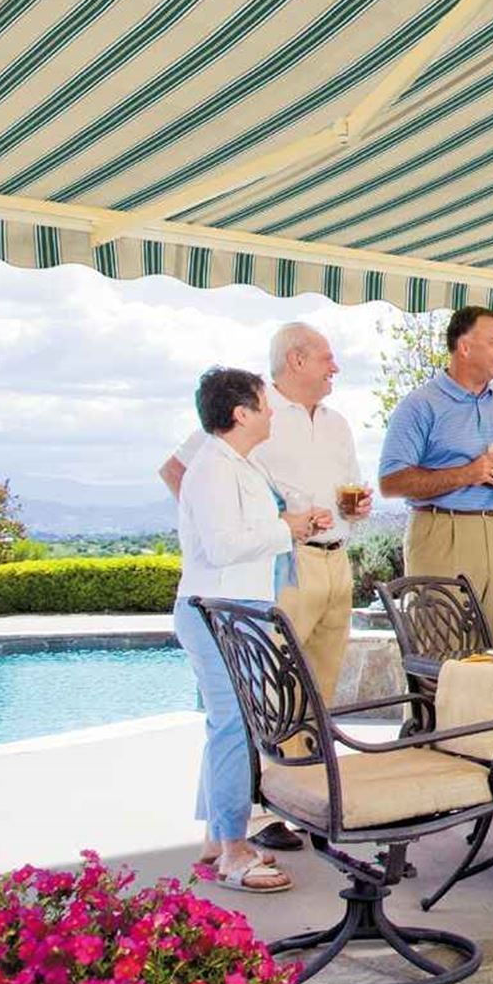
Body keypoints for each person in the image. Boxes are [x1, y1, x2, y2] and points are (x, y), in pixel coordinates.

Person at [160, 323, 370, 854]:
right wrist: (239, 529)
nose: (335, 367)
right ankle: (244, 820)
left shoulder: (336, 423)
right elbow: (179, 475)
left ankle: (301, 800)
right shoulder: (239, 425)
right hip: (275, 569)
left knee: (314, 694)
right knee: (257, 702)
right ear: (296, 360)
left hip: (333, 559)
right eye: (326, 357)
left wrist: (350, 511)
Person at [174, 367, 326, 894]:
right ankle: (233, 850)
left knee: (231, 726)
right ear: (241, 413)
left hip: (236, 610)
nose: (271, 412)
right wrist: (285, 529)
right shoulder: (213, 468)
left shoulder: (237, 464)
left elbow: (245, 535)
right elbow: (222, 546)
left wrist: (291, 528)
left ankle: (216, 842)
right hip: (217, 611)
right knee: (233, 727)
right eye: (264, 404)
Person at [379, 307, 493, 646]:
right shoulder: (420, 405)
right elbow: (391, 482)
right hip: (442, 532)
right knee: (442, 652)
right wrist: (467, 474)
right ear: (464, 347)